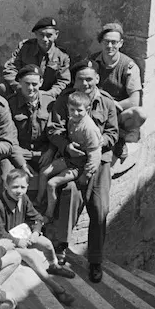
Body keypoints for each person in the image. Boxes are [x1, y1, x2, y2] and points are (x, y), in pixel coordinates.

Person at [46, 60, 118, 283]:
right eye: (80, 79)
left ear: (97, 79)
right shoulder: (65, 101)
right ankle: (61, 247)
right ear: (74, 81)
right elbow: (53, 129)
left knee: (99, 208)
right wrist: (67, 146)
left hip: (99, 161)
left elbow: (114, 134)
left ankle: (95, 261)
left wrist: (93, 145)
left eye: (89, 79)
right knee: (68, 195)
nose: (85, 83)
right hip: (71, 159)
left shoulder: (106, 103)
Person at [0, 169, 76, 306]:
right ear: (6, 186)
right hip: (9, 242)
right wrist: (18, 241)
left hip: (24, 235)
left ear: (27, 187)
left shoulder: (23, 199)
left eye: (23, 187)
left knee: (47, 243)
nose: (19, 191)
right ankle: (57, 288)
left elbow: (37, 217)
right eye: (15, 187)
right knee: (32, 258)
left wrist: (36, 232)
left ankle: (54, 266)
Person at [36, 91, 102, 222]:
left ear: (87, 109)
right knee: (44, 172)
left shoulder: (89, 128)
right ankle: (39, 201)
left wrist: (85, 175)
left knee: (51, 183)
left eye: (80, 110)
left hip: (79, 166)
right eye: (72, 110)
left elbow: (95, 155)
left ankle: (49, 214)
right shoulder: (72, 120)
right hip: (69, 158)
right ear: (68, 108)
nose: (76, 113)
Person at [88, 22, 147, 163]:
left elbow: (134, 100)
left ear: (121, 43)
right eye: (106, 42)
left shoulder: (129, 66)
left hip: (117, 110)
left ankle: (120, 137)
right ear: (101, 42)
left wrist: (111, 105)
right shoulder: (92, 62)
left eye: (114, 42)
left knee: (139, 114)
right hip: (96, 108)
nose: (110, 46)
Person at [2, 65, 57, 176]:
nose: (31, 88)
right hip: (18, 153)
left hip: (45, 154)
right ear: (20, 83)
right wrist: (21, 163)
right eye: (27, 84)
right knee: (8, 175)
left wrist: (51, 151)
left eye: (34, 84)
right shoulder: (9, 104)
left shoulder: (50, 102)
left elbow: (57, 130)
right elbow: (9, 136)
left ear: (41, 82)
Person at [0, 17, 71, 99]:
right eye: (41, 35)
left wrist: (48, 94)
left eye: (49, 35)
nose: (45, 39)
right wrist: (20, 87)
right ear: (36, 34)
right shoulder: (25, 48)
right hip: (23, 90)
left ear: (56, 35)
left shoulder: (62, 57)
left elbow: (63, 81)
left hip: (47, 95)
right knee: (2, 88)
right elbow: (10, 69)